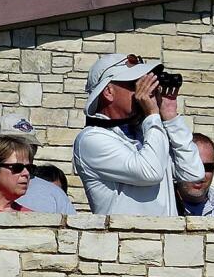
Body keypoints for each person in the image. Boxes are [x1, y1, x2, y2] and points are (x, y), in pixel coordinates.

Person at [72, 53, 205, 216]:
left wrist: (170, 116)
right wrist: (152, 115)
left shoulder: (147, 132)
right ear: (108, 91)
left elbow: (193, 174)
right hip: (126, 239)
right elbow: (151, 172)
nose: (144, 91)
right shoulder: (91, 139)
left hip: (164, 239)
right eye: (136, 84)